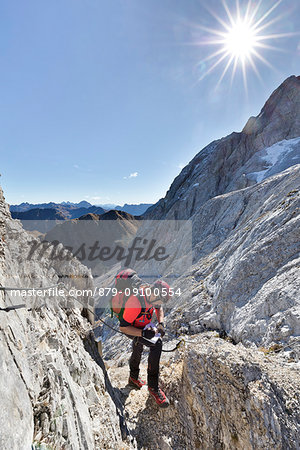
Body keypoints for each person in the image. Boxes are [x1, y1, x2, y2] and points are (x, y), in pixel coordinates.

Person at [118, 278, 171, 408]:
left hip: (142, 325)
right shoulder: (135, 302)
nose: (158, 304)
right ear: (154, 293)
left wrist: (161, 323)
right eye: (159, 300)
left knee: (138, 346)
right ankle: (153, 387)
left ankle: (133, 378)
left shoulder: (153, 296)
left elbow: (159, 308)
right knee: (156, 344)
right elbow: (123, 328)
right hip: (131, 327)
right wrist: (142, 334)